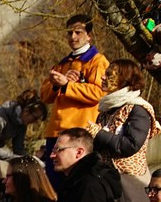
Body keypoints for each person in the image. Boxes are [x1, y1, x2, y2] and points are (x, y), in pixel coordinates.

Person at [86, 58, 161, 202]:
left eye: (109, 75)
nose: (103, 78)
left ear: (124, 79)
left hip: (130, 183)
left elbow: (130, 145)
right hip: (107, 182)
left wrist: (99, 134)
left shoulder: (138, 109)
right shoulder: (106, 111)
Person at [39, 15, 110, 188]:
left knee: (79, 185)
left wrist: (67, 85)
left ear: (89, 35)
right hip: (55, 133)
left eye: (78, 32)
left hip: (80, 133)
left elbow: (100, 93)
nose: (73, 37)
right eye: (69, 33)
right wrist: (57, 85)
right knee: (55, 186)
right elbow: (44, 96)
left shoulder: (98, 61)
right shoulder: (62, 64)